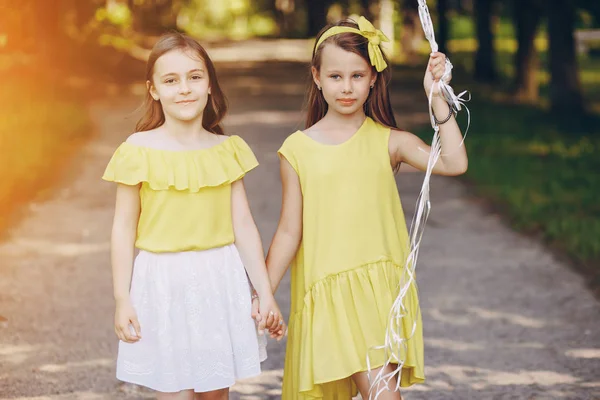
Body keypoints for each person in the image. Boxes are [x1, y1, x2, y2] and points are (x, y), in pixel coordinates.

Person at [265, 17, 468, 400]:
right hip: (327, 297)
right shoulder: (297, 149)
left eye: (357, 75)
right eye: (336, 76)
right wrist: (263, 292)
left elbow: (455, 163)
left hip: (376, 297)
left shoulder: (389, 141)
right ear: (317, 77)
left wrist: (436, 97)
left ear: (373, 77)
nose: (346, 87)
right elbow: (290, 230)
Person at [102, 32, 285, 400]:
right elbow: (123, 229)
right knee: (175, 391)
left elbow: (244, 227)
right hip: (161, 283)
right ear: (153, 90)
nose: (184, 89)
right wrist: (122, 297)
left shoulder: (225, 149)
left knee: (213, 394)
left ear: (210, 86)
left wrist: (264, 291)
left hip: (219, 281)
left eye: (195, 77)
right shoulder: (138, 149)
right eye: (171, 80)